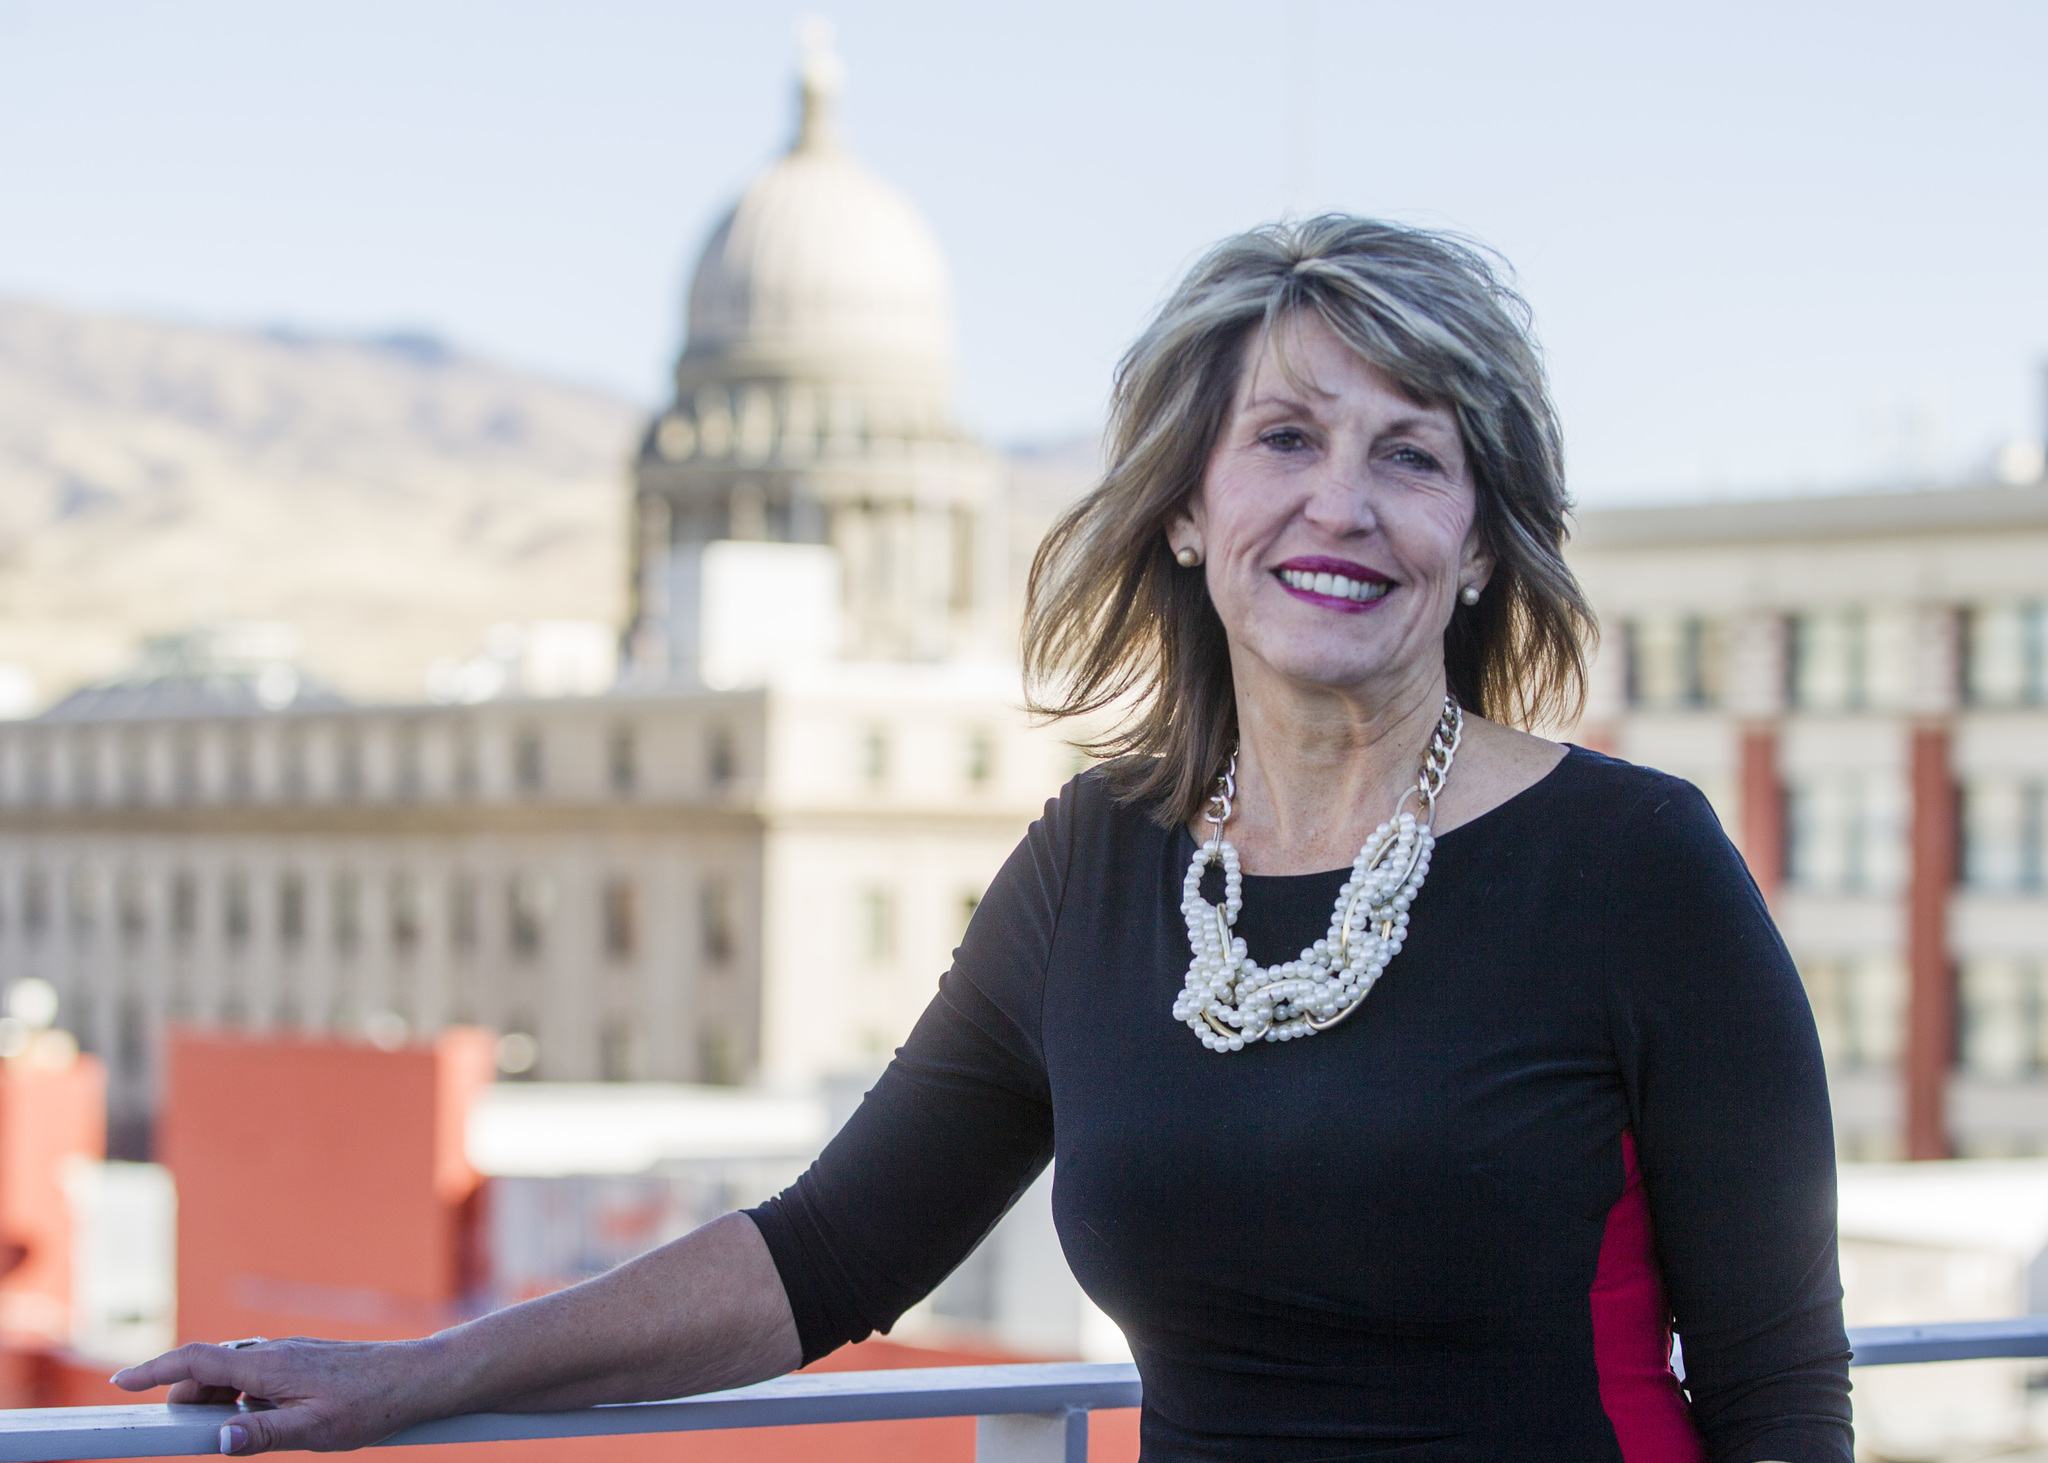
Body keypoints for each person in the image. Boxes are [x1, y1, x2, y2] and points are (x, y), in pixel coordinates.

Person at [113, 215, 1853, 1461]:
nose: (1344, 503)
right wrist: (416, 1379)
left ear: (1480, 544)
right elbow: (826, 1255)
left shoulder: (1638, 868)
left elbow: (1780, 1393)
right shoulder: (1097, 868)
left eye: (1413, 457)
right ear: (1188, 510)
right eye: (1287, 439)